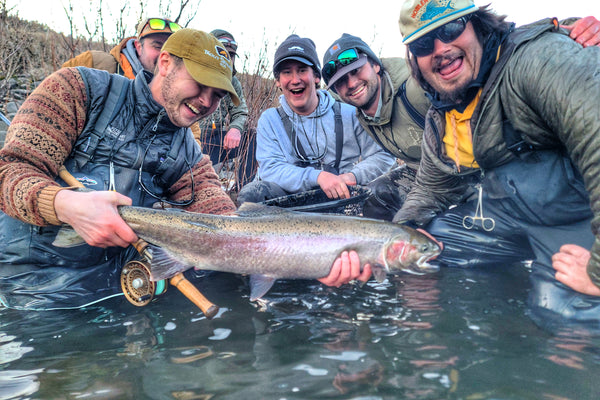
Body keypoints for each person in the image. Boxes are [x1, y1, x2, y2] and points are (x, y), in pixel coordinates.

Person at [0, 29, 363, 310]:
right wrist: (65, 206)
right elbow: (10, 172)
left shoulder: (189, 152)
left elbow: (227, 226)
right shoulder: (79, 89)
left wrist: (314, 264)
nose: (206, 101)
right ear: (165, 63)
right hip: (30, 286)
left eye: (218, 94)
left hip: (123, 289)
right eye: (200, 83)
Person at [392, 0, 600, 326]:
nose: (441, 48)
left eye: (450, 29)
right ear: (415, 60)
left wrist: (598, 271)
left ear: (478, 24)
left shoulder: (537, 61)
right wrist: (390, 243)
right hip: (508, 219)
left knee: (561, 316)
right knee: (427, 246)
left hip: (578, 222)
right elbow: (428, 191)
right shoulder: (440, 117)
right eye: (422, 43)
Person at [322, 17, 600, 221]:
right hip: (429, 173)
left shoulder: (420, 87)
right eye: (340, 82)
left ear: (375, 65)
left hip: (474, 170)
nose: (351, 83)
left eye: (356, 71)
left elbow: (508, 53)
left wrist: (572, 28)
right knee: (379, 193)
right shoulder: (362, 114)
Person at [237, 34, 396, 205]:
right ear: (278, 81)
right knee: (253, 194)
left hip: (342, 195)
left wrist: (352, 176)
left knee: (387, 192)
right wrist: (318, 177)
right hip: (288, 201)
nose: (295, 80)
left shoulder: (350, 114)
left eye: (302, 70)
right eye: (287, 72)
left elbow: (383, 155)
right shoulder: (270, 120)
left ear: (316, 77)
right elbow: (271, 169)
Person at [195, 29, 253, 187]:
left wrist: (235, 128)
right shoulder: (194, 73)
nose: (227, 60)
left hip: (216, 140)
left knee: (253, 139)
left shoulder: (232, 82)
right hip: (192, 140)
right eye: (222, 54)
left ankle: (242, 190)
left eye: (230, 56)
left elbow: (240, 111)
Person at [62, 17, 181, 78]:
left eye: (170, 50)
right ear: (138, 47)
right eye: (157, 46)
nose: (164, 56)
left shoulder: (177, 87)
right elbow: (53, 95)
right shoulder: (94, 63)